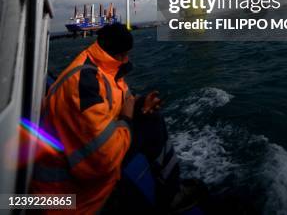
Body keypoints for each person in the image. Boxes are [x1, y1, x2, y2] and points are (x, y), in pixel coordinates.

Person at [30, 24, 195, 214]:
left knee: (150, 116)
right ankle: (171, 197)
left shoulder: (99, 64)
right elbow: (105, 159)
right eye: (125, 54)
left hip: (80, 170)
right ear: (117, 53)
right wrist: (127, 116)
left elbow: (117, 102)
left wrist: (140, 105)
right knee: (152, 124)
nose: (128, 59)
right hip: (70, 198)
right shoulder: (84, 84)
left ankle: (167, 189)